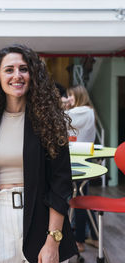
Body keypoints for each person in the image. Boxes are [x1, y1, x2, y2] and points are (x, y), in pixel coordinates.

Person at [0, 44, 78, 263]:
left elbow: (61, 184)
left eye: (23, 69)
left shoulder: (49, 121)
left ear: (32, 75)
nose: (17, 75)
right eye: (9, 69)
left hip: (42, 220)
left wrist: (53, 241)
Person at [62, 85, 98, 253]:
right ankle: (94, 237)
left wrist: (61, 104)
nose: (69, 99)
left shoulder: (81, 111)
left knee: (79, 199)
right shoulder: (86, 111)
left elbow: (58, 119)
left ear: (79, 96)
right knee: (83, 195)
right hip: (82, 158)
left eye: (71, 96)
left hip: (77, 160)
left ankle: (79, 240)